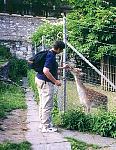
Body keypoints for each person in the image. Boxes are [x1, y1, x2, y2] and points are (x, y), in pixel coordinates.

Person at [35, 40, 67, 133]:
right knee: (47, 105)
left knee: (42, 103)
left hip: (39, 79)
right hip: (46, 83)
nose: (61, 52)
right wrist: (56, 81)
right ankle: (46, 127)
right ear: (58, 49)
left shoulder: (48, 53)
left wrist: (63, 68)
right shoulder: (51, 56)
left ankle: (42, 123)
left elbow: (49, 67)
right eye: (61, 50)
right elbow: (46, 71)